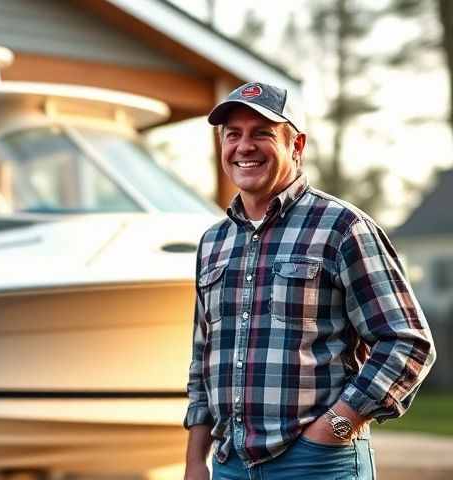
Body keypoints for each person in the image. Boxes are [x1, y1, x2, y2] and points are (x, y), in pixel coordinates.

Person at [183, 81, 436, 480]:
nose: (244, 146)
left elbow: (407, 343)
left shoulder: (343, 227)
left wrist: (337, 427)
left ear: (296, 146)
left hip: (318, 464)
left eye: (262, 133)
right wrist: (195, 461)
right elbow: (202, 360)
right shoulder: (213, 242)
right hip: (229, 465)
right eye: (233, 134)